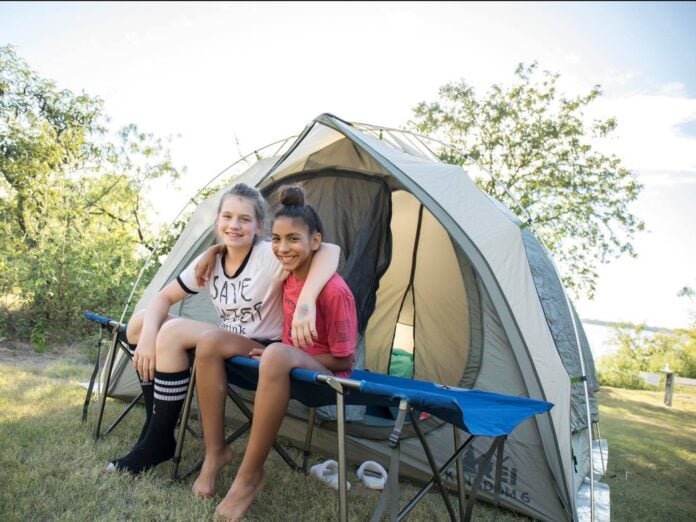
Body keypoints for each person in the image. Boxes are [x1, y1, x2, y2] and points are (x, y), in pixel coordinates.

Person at [107, 182, 340, 475]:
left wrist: (307, 299)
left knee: (172, 331)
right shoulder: (213, 259)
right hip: (224, 339)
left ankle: (157, 441)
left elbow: (330, 249)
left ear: (259, 227)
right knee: (141, 323)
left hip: (259, 348)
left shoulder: (269, 255)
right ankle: (155, 429)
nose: (234, 225)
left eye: (245, 219)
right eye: (227, 217)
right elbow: (164, 297)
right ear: (217, 220)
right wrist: (148, 337)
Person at [193, 185, 357, 521]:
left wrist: (281, 356)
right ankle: (216, 453)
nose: (282, 248)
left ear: (315, 242)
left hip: (322, 378)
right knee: (210, 340)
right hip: (280, 363)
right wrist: (214, 250)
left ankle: (250, 476)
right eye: (277, 239)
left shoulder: (334, 291)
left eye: (293, 239)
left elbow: (345, 360)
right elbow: (245, 246)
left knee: (278, 354)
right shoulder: (287, 274)